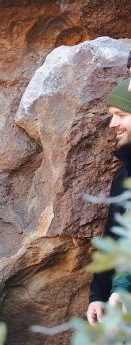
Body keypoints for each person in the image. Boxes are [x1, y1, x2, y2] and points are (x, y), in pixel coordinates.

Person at [86, 74, 131, 323]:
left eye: (122, 115)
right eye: (112, 115)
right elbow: (114, 237)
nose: (113, 124)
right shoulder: (123, 174)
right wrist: (99, 295)